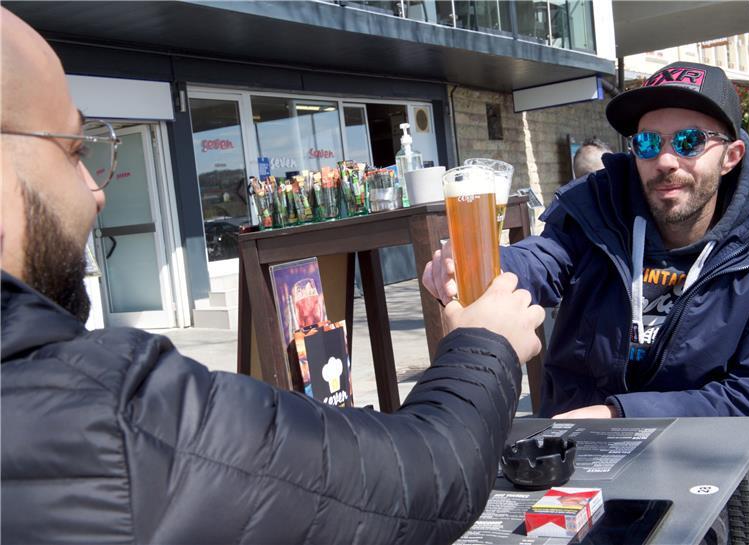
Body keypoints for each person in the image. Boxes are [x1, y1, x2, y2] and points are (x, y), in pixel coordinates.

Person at [0, 10, 545, 544]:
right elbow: (423, 478)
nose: (96, 191)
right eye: (74, 150)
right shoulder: (105, 424)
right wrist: (485, 344)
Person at [425, 61, 749, 421]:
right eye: (648, 143)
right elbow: (542, 260)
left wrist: (620, 414)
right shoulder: (599, 203)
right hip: (573, 445)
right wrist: (486, 265)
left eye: (688, 142)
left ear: (731, 156)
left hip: (698, 451)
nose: (665, 160)